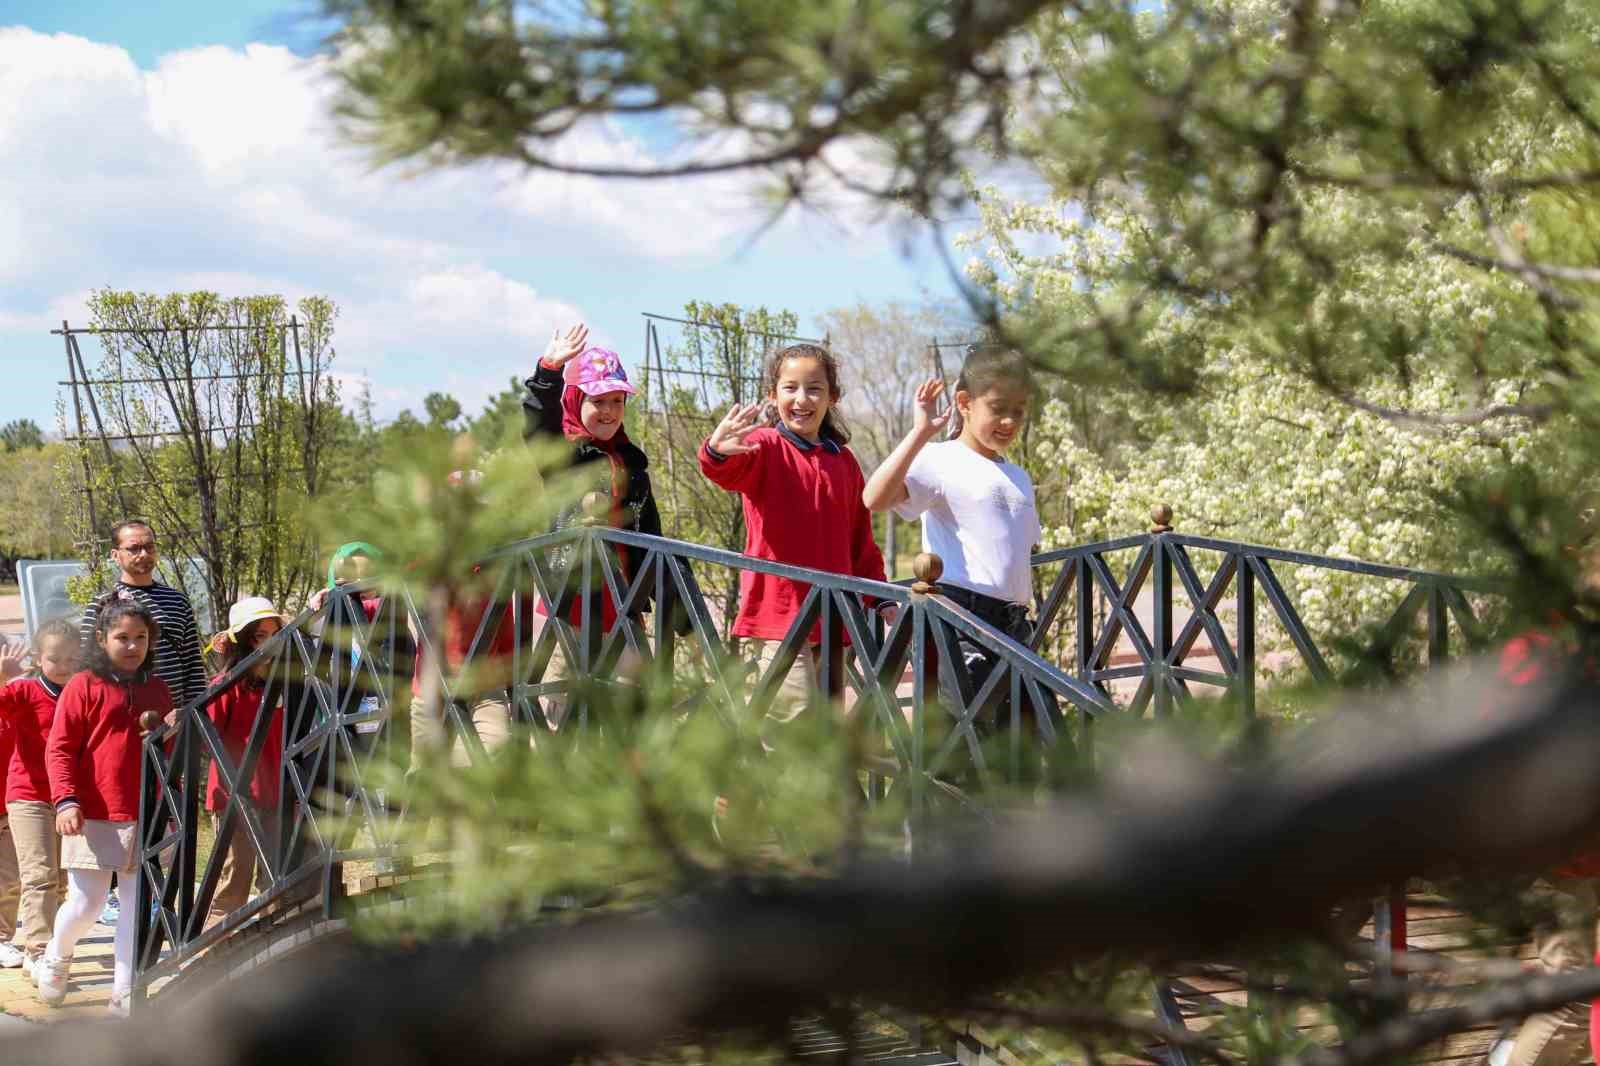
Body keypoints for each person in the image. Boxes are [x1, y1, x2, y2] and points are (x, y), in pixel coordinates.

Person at [699, 342, 890, 723]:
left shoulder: (844, 461)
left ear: (832, 397)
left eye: (814, 388)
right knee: (787, 729)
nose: (802, 399)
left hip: (836, 620)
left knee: (827, 731)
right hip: (778, 619)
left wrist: (880, 599)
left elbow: (859, 542)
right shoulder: (765, 446)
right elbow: (725, 471)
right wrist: (716, 452)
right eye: (790, 388)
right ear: (773, 394)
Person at [861, 347, 1041, 735]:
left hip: (1015, 626)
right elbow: (874, 499)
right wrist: (919, 433)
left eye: (1019, 410)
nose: (1009, 421)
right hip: (962, 622)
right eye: (997, 407)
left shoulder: (1019, 478)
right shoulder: (940, 458)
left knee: (1020, 747)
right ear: (964, 403)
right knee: (964, 746)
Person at [522, 324, 667, 726]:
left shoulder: (631, 462)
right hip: (572, 603)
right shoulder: (563, 456)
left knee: (637, 704)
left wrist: (671, 597)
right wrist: (548, 372)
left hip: (625, 599)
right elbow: (538, 425)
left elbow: (651, 531)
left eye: (617, 401)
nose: (608, 411)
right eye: (597, 400)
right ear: (574, 400)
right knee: (562, 701)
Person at [39, 595, 173, 1015]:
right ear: (101, 639)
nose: (132, 646)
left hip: (147, 810)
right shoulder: (83, 685)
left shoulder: (157, 687)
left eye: (140, 638)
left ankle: (124, 996)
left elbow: (167, 753)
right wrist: (65, 800)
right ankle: (56, 958)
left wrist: (173, 744)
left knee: (135, 909)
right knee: (87, 903)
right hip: (93, 812)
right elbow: (59, 748)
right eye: (122, 638)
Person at [79, 520, 206, 928]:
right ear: (116, 554)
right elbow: (87, 668)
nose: (142, 554)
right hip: (116, 729)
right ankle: (116, 892)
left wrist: (191, 714)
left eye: (148, 546)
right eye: (133, 548)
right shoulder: (102, 605)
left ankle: (154, 894)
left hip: (170, 727)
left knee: (163, 808)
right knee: (120, 806)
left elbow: (191, 665)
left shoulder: (176, 603)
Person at [0, 620, 80, 976]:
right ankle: (37, 949)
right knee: (38, 875)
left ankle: (56, 946)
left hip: (69, 799)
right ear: (37, 658)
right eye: (55, 659)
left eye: (71, 659)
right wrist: (3, 676)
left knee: (63, 882)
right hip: (28, 794)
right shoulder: (24, 692)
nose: (63, 666)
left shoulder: (83, 692)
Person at [202, 598, 287, 928]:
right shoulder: (227, 686)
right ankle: (213, 947)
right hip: (233, 796)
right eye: (258, 636)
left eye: (274, 634)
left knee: (277, 876)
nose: (269, 643)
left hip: (276, 794)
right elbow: (208, 735)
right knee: (236, 875)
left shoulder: (287, 685)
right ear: (242, 641)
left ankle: (272, 943)